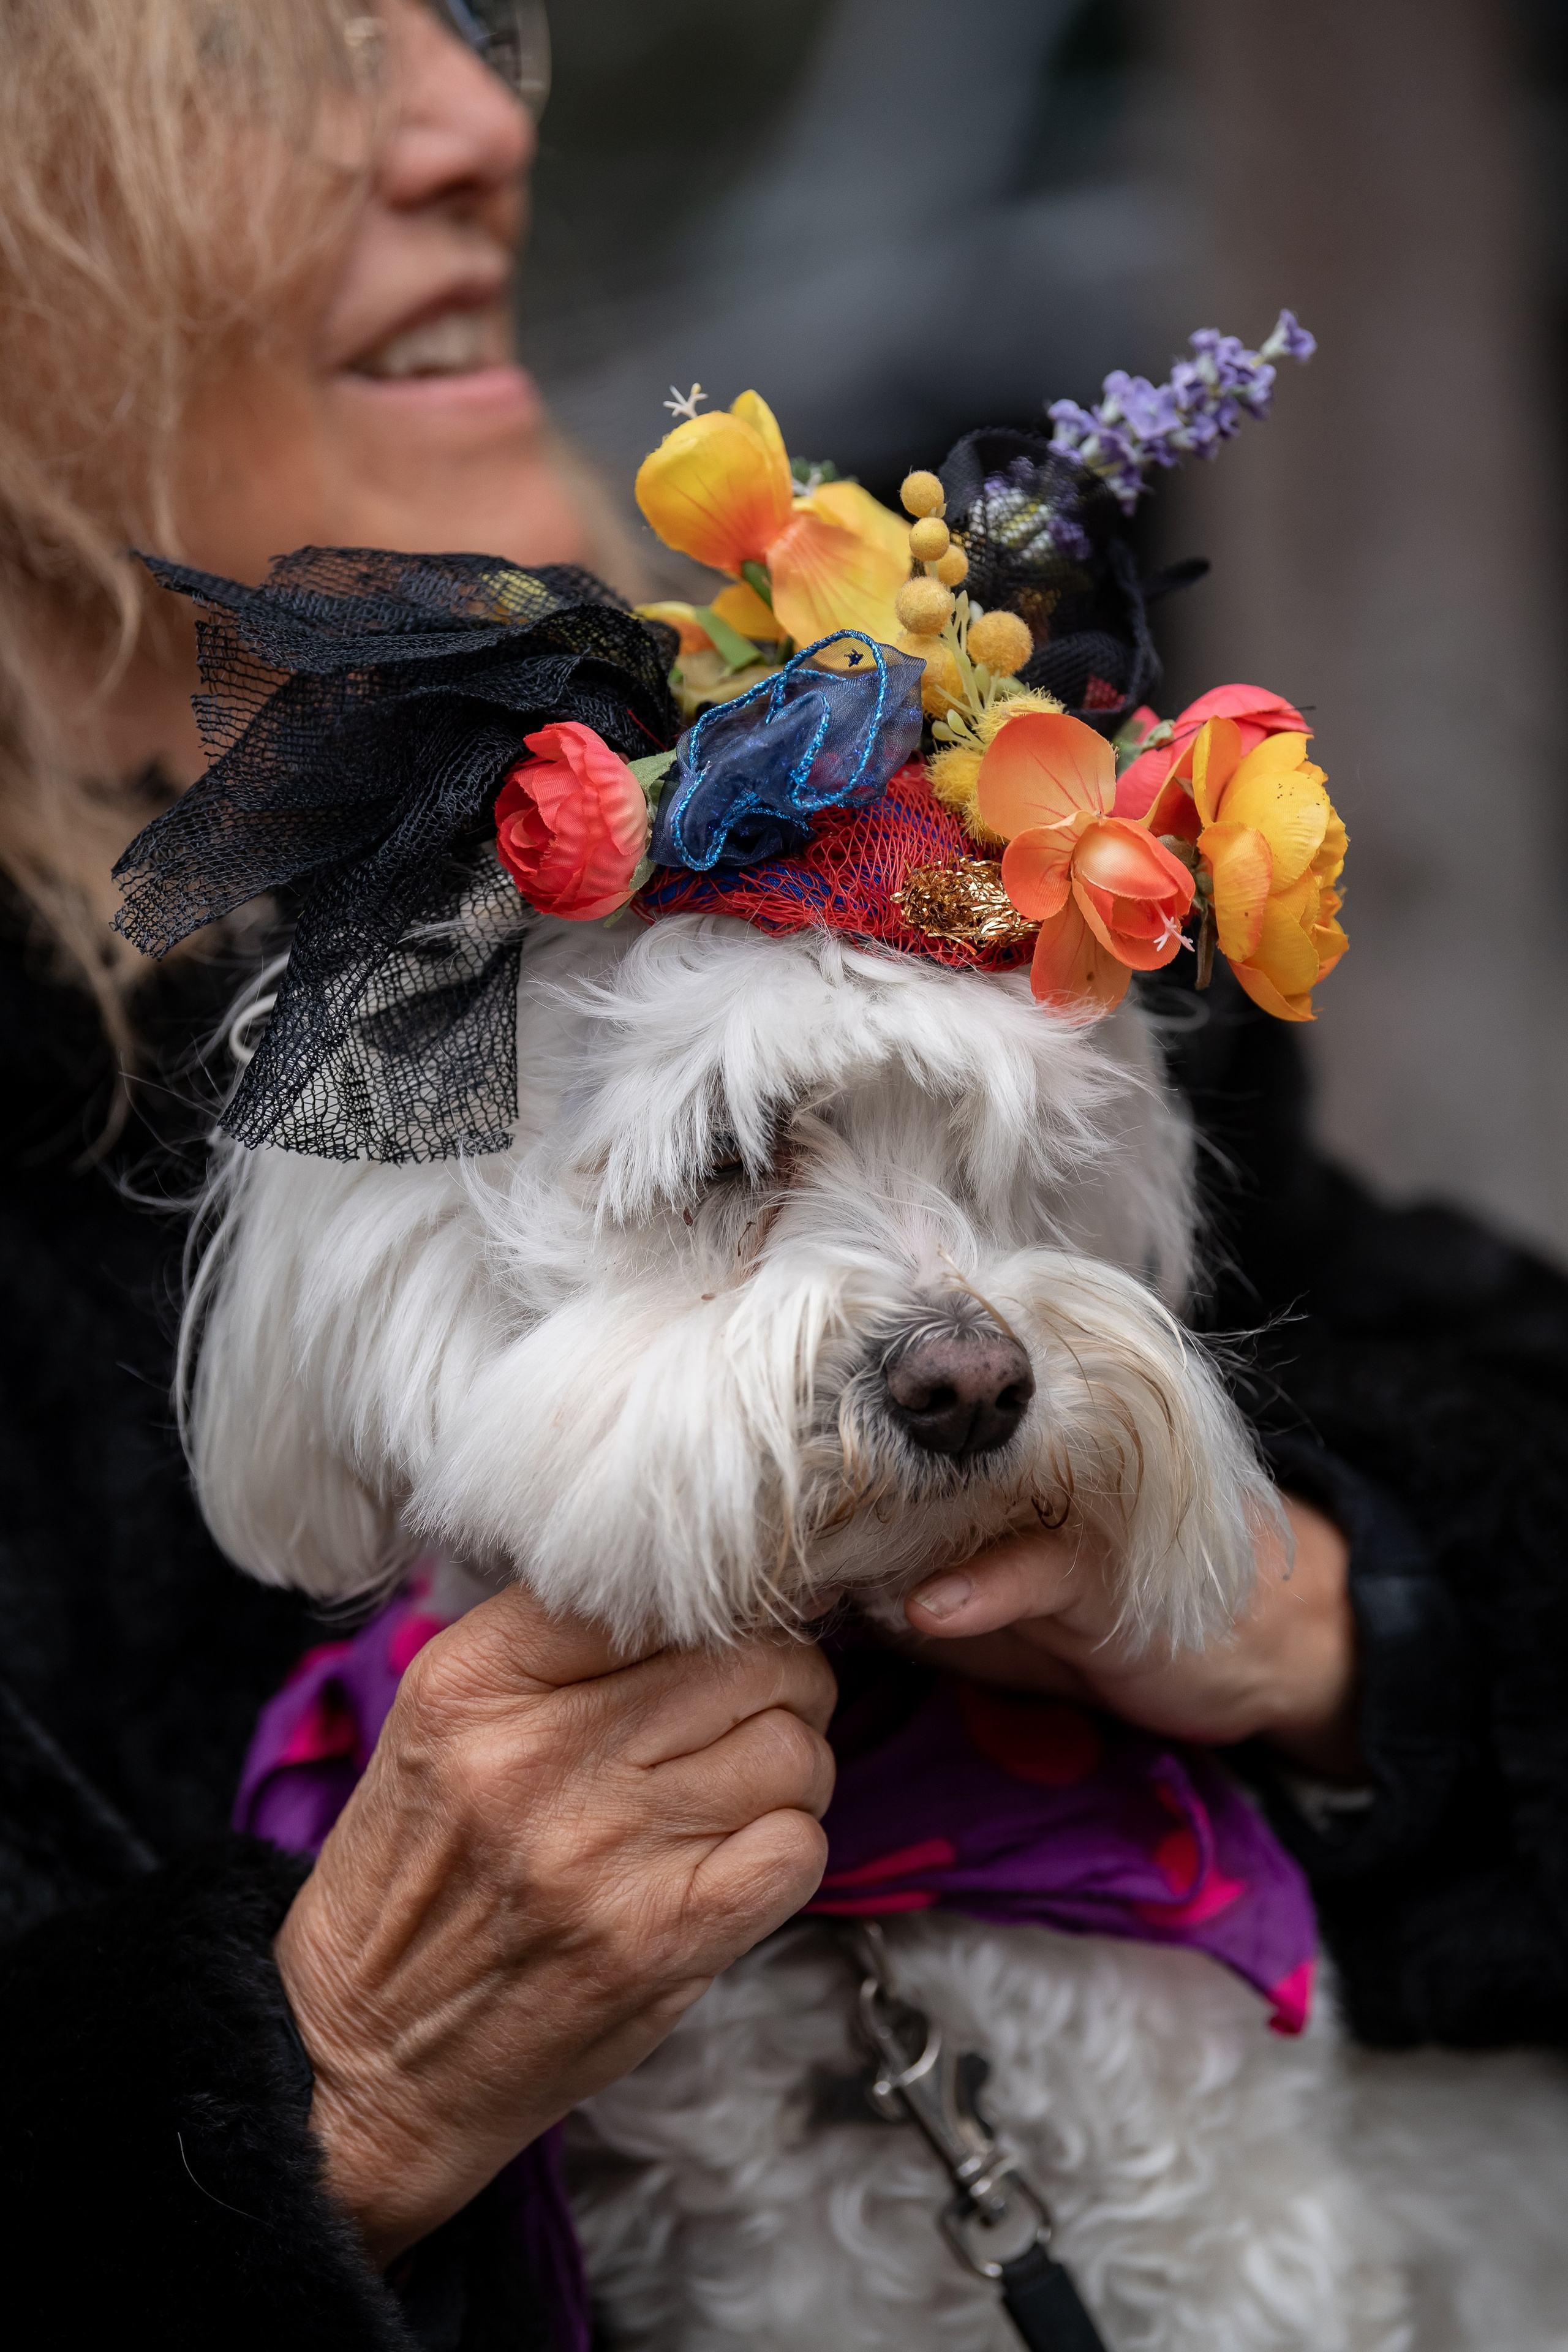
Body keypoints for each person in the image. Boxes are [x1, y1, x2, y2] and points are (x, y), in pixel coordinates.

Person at [0, 2, 1563, 2346]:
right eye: (249, 70)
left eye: (458, 33)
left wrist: (1341, 1625)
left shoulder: (865, 858)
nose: (468, 128)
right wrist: (318, 2096)